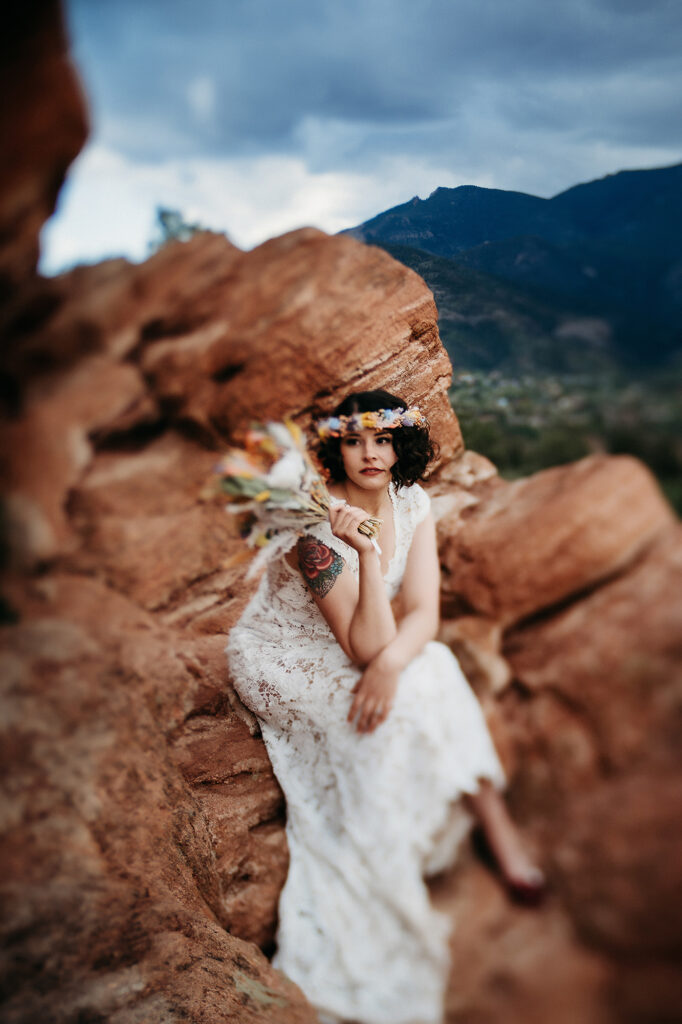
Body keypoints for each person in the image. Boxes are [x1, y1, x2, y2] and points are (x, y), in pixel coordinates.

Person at [225, 389, 544, 1024]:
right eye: (353, 440)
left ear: (401, 445)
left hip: (368, 642)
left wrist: (396, 663)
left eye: (383, 439)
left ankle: (498, 829)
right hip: (288, 657)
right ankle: (386, 862)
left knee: (435, 664)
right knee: (386, 712)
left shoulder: (411, 501)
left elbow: (423, 612)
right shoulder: (309, 531)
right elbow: (364, 644)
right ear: (333, 448)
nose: (370, 454)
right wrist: (367, 553)